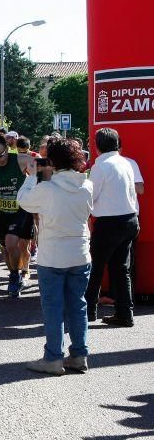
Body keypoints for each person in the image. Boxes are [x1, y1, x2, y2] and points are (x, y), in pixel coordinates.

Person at [17, 138, 94, 375]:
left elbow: (24, 201)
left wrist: (32, 176)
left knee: (53, 308)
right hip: (80, 253)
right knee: (78, 306)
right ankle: (79, 355)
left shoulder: (47, 188)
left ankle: (53, 358)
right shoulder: (87, 186)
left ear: (51, 160)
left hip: (53, 257)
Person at [85, 128, 140, 327]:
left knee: (95, 268)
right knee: (121, 269)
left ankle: (88, 312)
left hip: (109, 223)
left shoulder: (101, 166)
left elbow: (90, 196)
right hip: (130, 219)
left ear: (97, 146)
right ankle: (125, 314)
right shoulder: (126, 163)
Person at [0, 134, 35, 297]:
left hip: (21, 210)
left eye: (0, 155)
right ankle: (14, 274)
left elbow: (43, 177)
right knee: (6, 249)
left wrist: (34, 198)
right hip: (1, 211)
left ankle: (16, 276)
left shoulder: (22, 160)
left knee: (11, 243)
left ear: (8, 149)